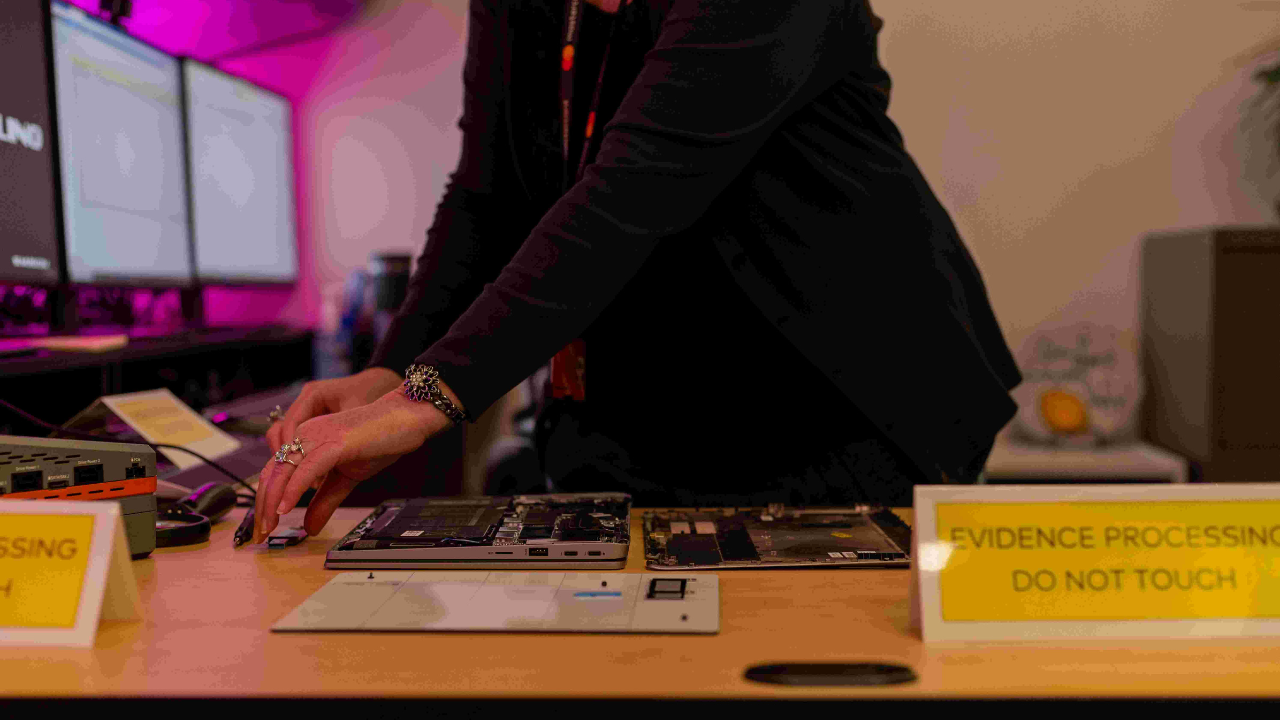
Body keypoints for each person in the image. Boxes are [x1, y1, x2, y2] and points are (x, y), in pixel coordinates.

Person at [252, 0, 1022, 543]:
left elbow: (633, 190)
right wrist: (394, 370)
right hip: (642, 424)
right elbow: (488, 197)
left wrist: (428, 398)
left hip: (840, 410)